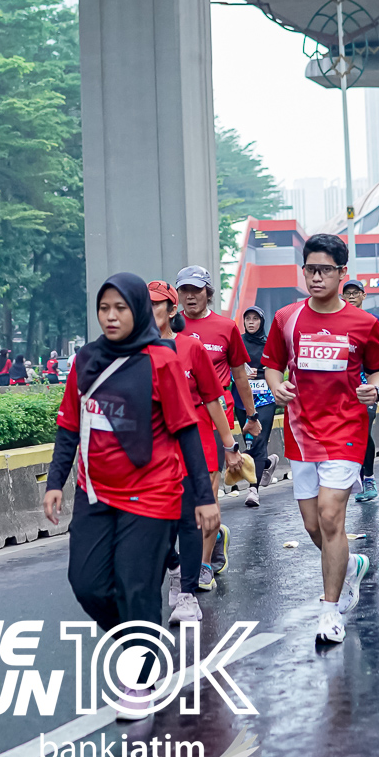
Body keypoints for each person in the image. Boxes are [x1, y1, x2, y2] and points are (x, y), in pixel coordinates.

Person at [42, 274, 216, 720]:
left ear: (137, 310)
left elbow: (186, 430)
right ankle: (145, 643)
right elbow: (70, 425)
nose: (112, 316)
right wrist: (55, 482)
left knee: (136, 586)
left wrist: (203, 496)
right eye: (104, 308)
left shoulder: (161, 360)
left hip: (152, 492)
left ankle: (139, 678)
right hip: (95, 492)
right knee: (87, 584)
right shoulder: (86, 360)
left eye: (120, 308)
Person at [262, 233, 379, 645]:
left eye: (325, 270)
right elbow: (273, 365)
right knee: (313, 524)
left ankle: (330, 611)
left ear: (342, 272)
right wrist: (277, 386)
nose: (316, 277)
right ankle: (349, 565)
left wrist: (375, 387)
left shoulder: (364, 324)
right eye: (310, 270)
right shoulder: (286, 318)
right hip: (301, 433)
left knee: (332, 516)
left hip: (346, 429)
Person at [150, 280, 239, 624]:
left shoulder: (191, 348)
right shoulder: (130, 353)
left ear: (172, 310)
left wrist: (229, 445)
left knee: (189, 519)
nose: (148, 312)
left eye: (156, 305)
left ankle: (187, 594)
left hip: (193, 442)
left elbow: (213, 399)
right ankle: (175, 567)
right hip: (152, 451)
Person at [173, 264, 253, 535]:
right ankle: (211, 536)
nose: (190, 296)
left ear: (208, 293)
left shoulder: (226, 327)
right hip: (178, 414)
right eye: (184, 290)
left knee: (208, 485)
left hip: (215, 412)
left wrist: (251, 416)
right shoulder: (169, 329)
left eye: (196, 290)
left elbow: (239, 375)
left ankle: (208, 549)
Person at [340, 278, 379, 503]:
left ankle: (368, 478)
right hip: (342, 387)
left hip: (367, 384)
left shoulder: (374, 321)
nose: (351, 296)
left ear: (363, 295)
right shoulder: (336, 321)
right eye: (348, 293)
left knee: (363, 430)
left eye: (355, 293)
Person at [236, 304, 274, 507]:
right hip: (242, 399)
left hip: (265, 398)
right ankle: (267, 463)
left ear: (261, 322)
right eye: (248, 319)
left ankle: (253, 490)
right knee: (250, 443)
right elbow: (229, 366)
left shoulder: (269, 344)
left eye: (255, 319)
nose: (251, 323)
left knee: (258, 441)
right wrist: (240, 372)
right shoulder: (238, 342)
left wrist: (264, 372)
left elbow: (278, 367)